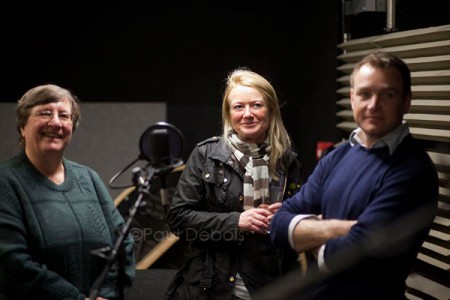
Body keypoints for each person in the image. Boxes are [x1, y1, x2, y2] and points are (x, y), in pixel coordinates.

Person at [269, 51, 439, 300]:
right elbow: (278, 225)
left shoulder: (412, 170)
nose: (373, 105)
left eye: (387, 94)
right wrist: (343, 229)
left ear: (406, 101)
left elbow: (352, 258)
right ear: (352, 98)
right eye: (365, 94)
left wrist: (309, 234)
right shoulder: (336, 156)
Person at [164, 68, 303, 299]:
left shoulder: (288, 161)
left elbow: (300, 225)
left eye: (256, 105)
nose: (247, 114)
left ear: (271, 110)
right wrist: (237, 221)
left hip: (270, 285)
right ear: (229, 114)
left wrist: (286, 216)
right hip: (213, 287)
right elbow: (178, 219)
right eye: (239, 106)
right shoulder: (206, 155)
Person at [0, 84, 135, 300]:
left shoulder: (89, 178)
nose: (55, 122)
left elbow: (124, 243)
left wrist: (106, 295)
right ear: (22, 126)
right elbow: (12, 263)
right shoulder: (5, 182)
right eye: (45, 113)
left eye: (64, 116)